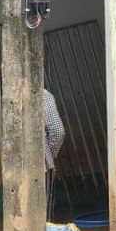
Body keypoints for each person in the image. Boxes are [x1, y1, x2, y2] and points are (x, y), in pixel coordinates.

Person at [43, 88, 66, 221]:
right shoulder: (42, 95)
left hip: (13, 166)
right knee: (44, 220)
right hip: (42, 165)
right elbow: (58, 132)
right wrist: (48, 156)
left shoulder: (7, 95)